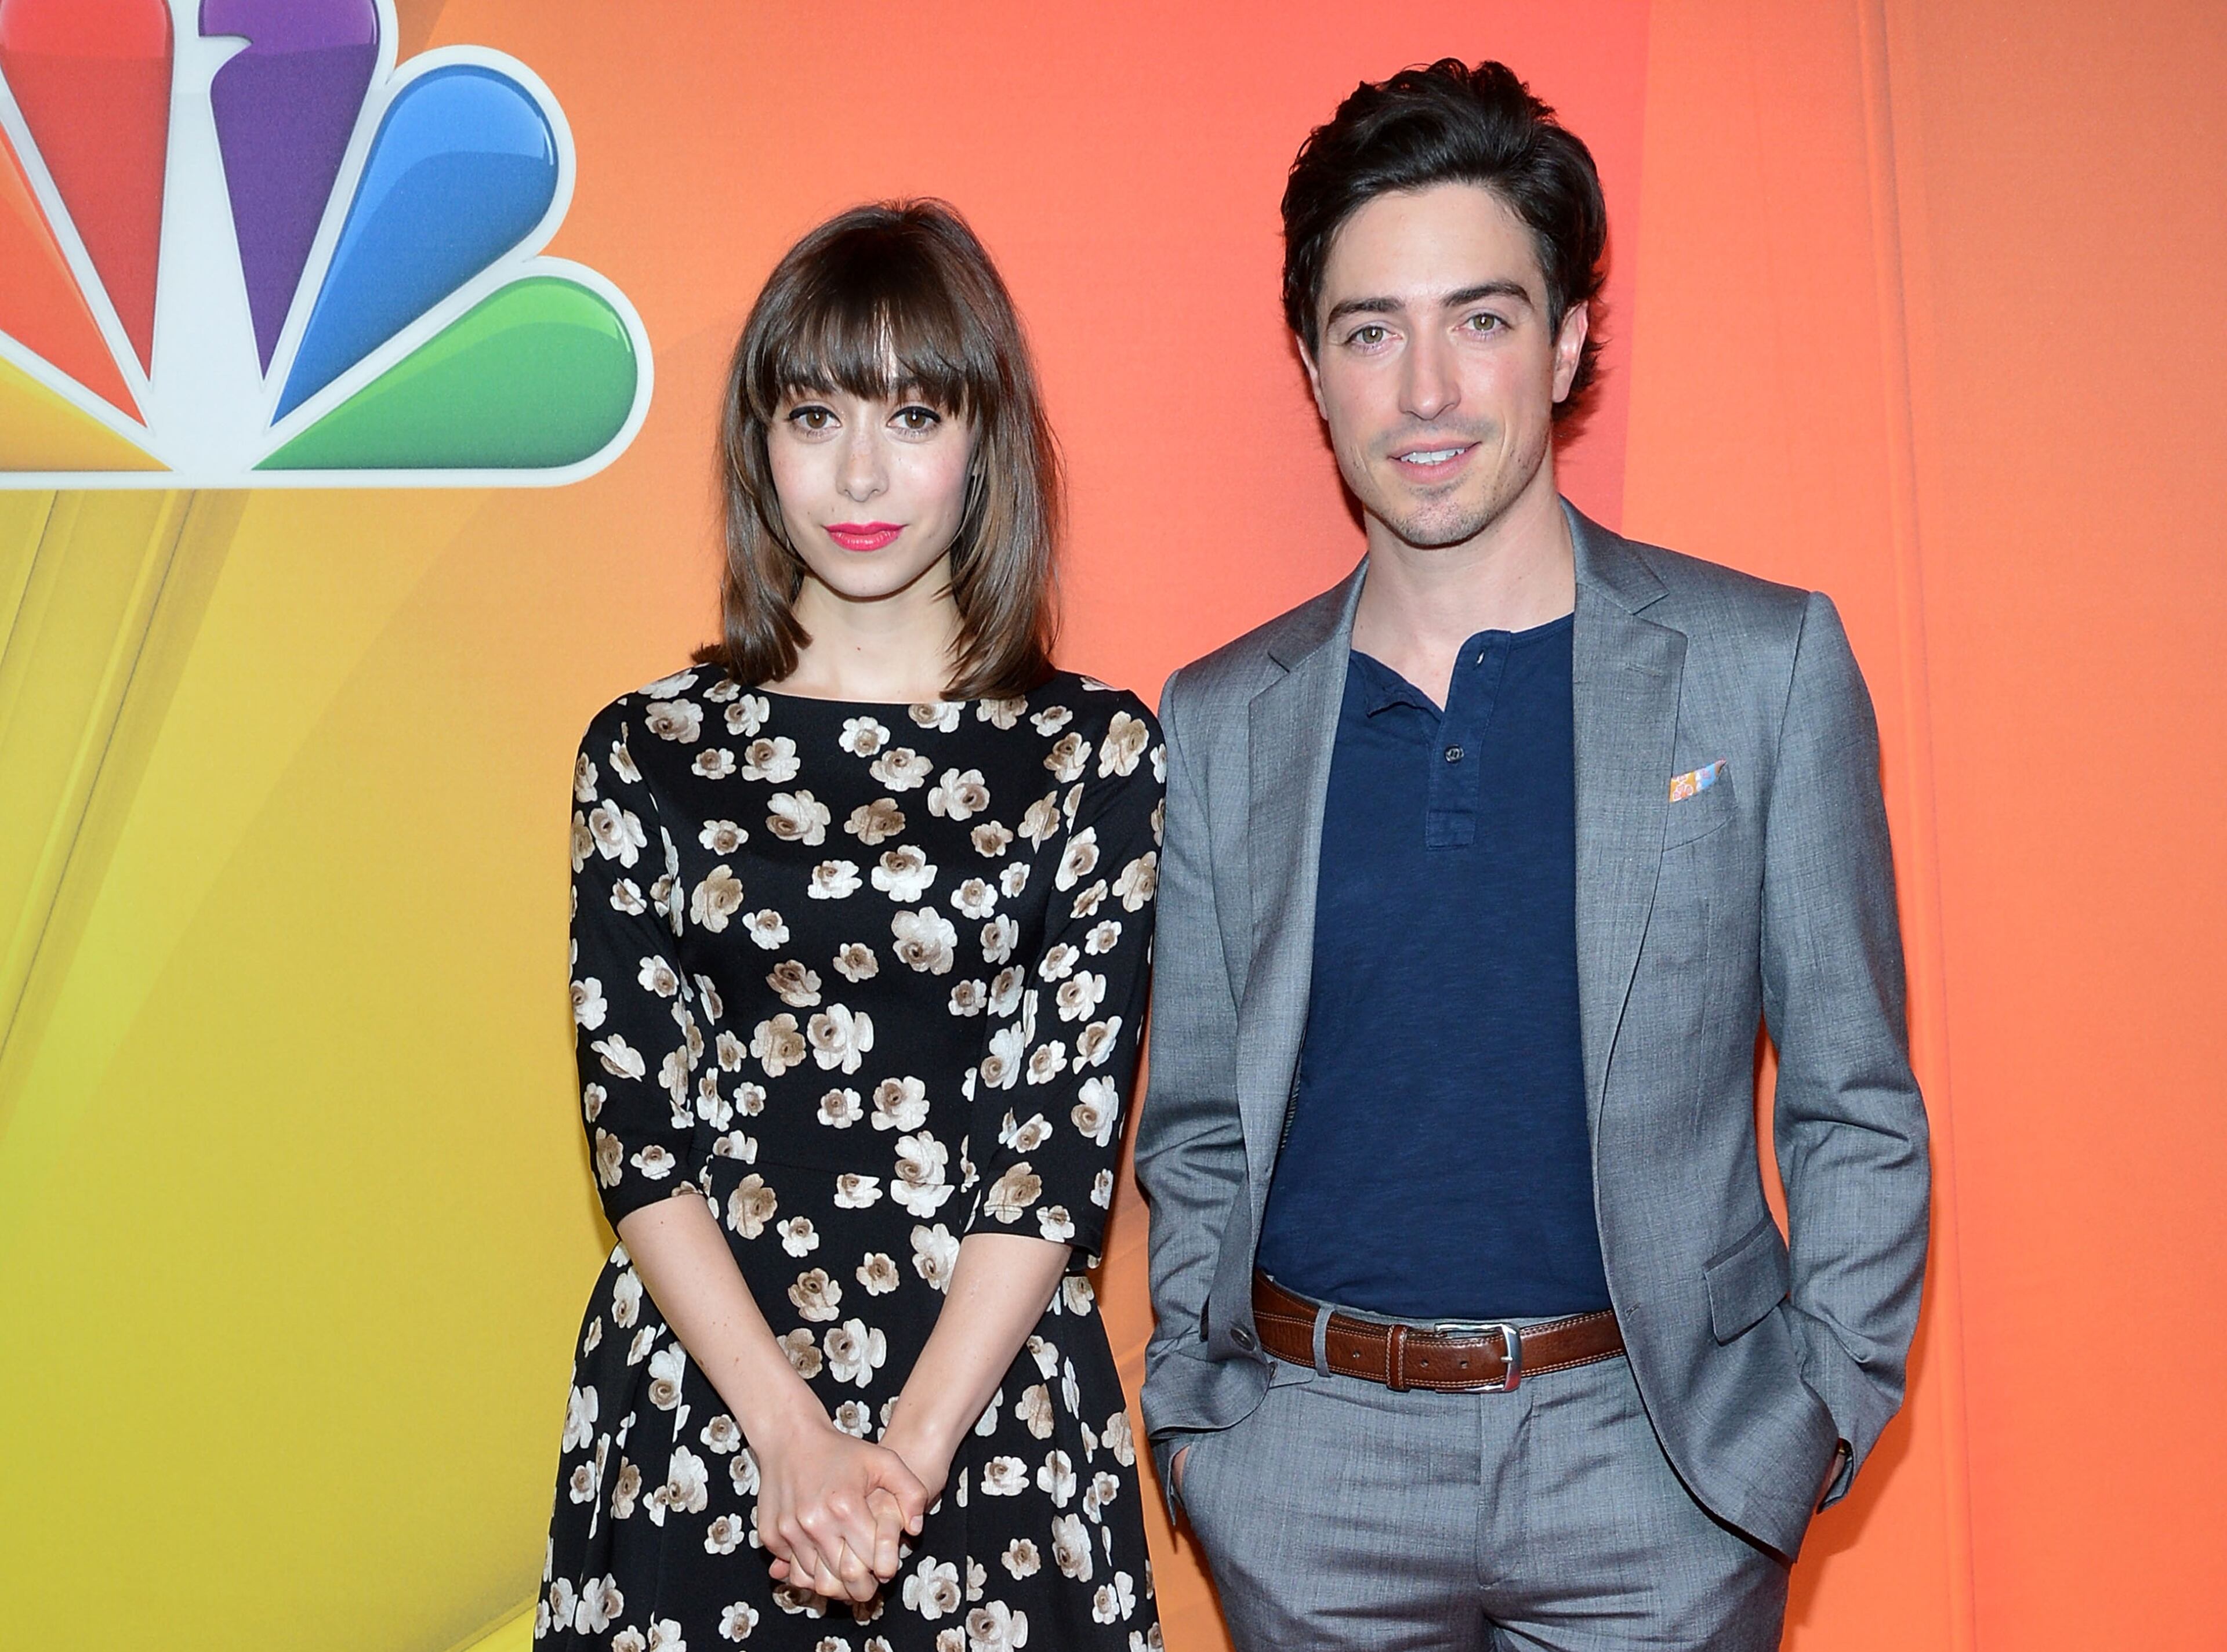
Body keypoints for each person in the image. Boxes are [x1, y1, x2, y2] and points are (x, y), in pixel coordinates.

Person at [1133, 59, 1929, 1651]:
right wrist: (1206, 1422)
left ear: (1567, 338)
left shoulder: (1760, 664)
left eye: (1481, 318)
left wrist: (1814, 1415)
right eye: (1372, 330)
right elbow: (1198, 1125)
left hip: (1661, 1474)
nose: (1426, 387)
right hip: (1310, 1475)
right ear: (1313, 365)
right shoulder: (1221, 718)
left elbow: (1856, 1099)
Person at [538, 201, 1166, 1652]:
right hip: (709, 1420)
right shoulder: (647, 751)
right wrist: (793, 1443)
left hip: (992, 1426)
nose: (864, 473)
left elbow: (1057, 1152)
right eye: (816, 416)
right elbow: (641, 1134)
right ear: (761, 444)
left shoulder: (1095, 756)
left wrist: (904, 1463)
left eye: (914, 414)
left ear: (982, 438)